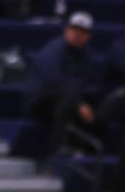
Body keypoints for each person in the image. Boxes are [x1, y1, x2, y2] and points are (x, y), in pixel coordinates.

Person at [25, 12, 104, 156]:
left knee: (95, 110)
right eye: (73, 30)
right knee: (69, 102)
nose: (76, 34)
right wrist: (79, 104)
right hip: (39, 100)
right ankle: (56, 152)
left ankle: (87, 153)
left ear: (88, 36)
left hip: (67, 100)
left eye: (81, 32)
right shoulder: (54, 50)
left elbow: (82, 85)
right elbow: (53, 82)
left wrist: (82, 104)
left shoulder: (86, 56)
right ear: (66, 30)